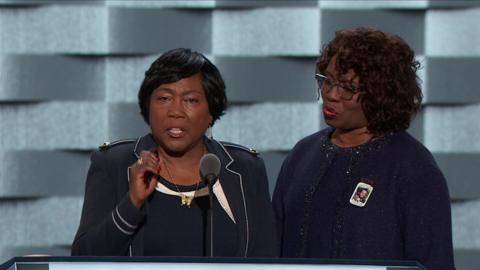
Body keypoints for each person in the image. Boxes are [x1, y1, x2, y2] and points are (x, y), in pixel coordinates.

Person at [272, 27, 455, 269]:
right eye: (327, 81)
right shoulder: (302, 154)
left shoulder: (414, 169)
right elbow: (271, 253)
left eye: (347, 88)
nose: (331, 95)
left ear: (381, 93)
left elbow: (434, 263)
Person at [72, 48, 276, 257]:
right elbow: (83, 259)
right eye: (164, 98)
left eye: (190, 100)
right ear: (147, 107)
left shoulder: (246, 169)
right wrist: (132, 203)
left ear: (211, 112)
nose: (176, 111)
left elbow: (267, 258)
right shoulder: (113, 164)